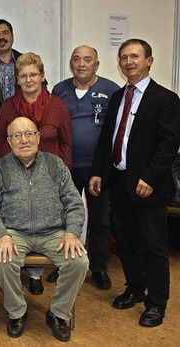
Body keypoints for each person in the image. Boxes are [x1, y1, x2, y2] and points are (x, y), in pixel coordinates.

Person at [90, 38, 180, 327]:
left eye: (135, 57)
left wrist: (150, 177)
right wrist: (98, 172)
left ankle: (156, 302)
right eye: (124, 57)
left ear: (149, 61)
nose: (128, 62)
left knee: (153, 244)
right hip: (119, 181)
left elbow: (169, 144)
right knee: (127, 240)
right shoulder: (118, 97)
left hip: (148, 185)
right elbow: (108, 140)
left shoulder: (165, 99)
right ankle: (134, 288)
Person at [0, 117, 88, 342]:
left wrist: (72, 232)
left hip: (54, 233)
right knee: (2, 261)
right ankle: (17, 312)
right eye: (17, 135)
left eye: (29, 133)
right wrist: (2, 235)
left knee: (79, 261)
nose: (24, 139)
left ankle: (58, 314)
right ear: (9, 141)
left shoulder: (55, 164)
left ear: (38, 137)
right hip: (15, 232)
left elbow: (74, 203)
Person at [0, 52, 72, 294]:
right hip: (17, 176)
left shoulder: (58, 106)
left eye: (33, 75)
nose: (28, 80)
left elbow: (67, 143)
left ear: (42, 76)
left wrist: (63, 176)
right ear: (17, 79)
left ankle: (36, 275)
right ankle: (22, 277)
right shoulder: (8, 107)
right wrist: (4, 177)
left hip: (50, 177)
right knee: (21, 220)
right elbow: (0, 144)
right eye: (23, 76)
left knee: (45, 222)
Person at [51, 45, 120, 288]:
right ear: (71, 64)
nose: (81, 64)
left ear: (96, 65)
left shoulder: (111, 90)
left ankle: (99, 268)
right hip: (65, 165)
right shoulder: (60, 90)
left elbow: (115, 131)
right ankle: (60, 264)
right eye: (77, 59)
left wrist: (103, 169)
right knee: (61, 218)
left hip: (97, 168)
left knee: (100, 220)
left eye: (87, 59)